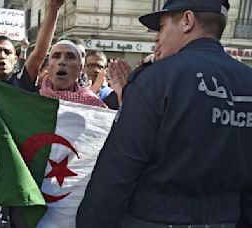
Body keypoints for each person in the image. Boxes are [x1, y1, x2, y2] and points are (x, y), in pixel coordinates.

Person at [77, 0, 252, 227]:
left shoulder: (156, 80)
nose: (158, 37)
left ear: (187, 21)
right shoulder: (247, 82)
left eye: (162, 26)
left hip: (154, 218)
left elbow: (118, 171)